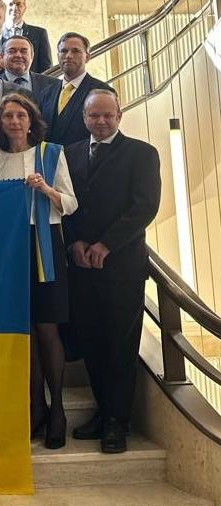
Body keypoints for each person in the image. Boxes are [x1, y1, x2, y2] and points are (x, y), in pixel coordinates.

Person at [64, 90, 161, 454]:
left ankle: (117, 422)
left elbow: (145, 207)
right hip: (82, 267)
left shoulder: (142, 153)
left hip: (121, 267)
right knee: (91, 341)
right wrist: (74, 241)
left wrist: (106, 244)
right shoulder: (70, 153)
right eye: (94, 116)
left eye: (108, 115)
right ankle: (103, 411)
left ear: (119, 116)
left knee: (120, 345)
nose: (101, 121)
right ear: (84, 118)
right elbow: (65, 202)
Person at [0, 94, 78, 449]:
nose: (14, 121)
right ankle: (35, 407)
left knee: (47, 327)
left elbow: (70, 204)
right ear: (0, 122)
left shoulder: (51, 153)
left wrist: (45, 189)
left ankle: (58, 409)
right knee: (23, 329)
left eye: (20, 115)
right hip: (9, 247)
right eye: (7, 116)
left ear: (31, 120)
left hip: (45, 243)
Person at [48, 32, 112, 146]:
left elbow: (106, 133)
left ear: (87, 57)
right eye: (64, 51)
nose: (68, 55)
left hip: (85, 156)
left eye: (75, 51)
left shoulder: (103, 91)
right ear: (58, 56)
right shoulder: (47, 91)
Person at [0, 35, 61, 128]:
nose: (18, 55)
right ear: (1, 56)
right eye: (12, 51)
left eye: (24, 51)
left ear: (32, 56)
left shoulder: (54, 85)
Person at [2, 0, 53, 73]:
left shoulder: (39, 33)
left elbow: (46, 67)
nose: (14, 7)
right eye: (10, 4)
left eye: (18, 4)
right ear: (4, 8)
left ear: (24, 8)